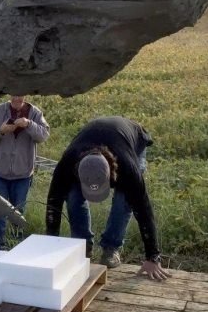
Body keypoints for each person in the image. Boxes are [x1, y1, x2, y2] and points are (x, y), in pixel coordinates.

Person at [45, 116, 170, 280]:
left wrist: (153, 257)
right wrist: (49, 246)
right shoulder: (67, 164)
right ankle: (82, 245)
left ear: (111, 174)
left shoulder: (127, 168)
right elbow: (54, 203)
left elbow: (143, 208)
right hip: (91, 139)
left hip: (131, 140)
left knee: (124, 200)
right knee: (73, 196)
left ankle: (111, 248)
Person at [0, 95, 50, 250]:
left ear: (26, 96)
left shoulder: (35, 113)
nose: (17, 99)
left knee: (18, 212)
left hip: (23, 174)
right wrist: (1, 130)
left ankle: (15, 246)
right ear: (9, 95)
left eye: (20, 96)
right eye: (14, 95)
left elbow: (44, 135)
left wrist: (29, 124)